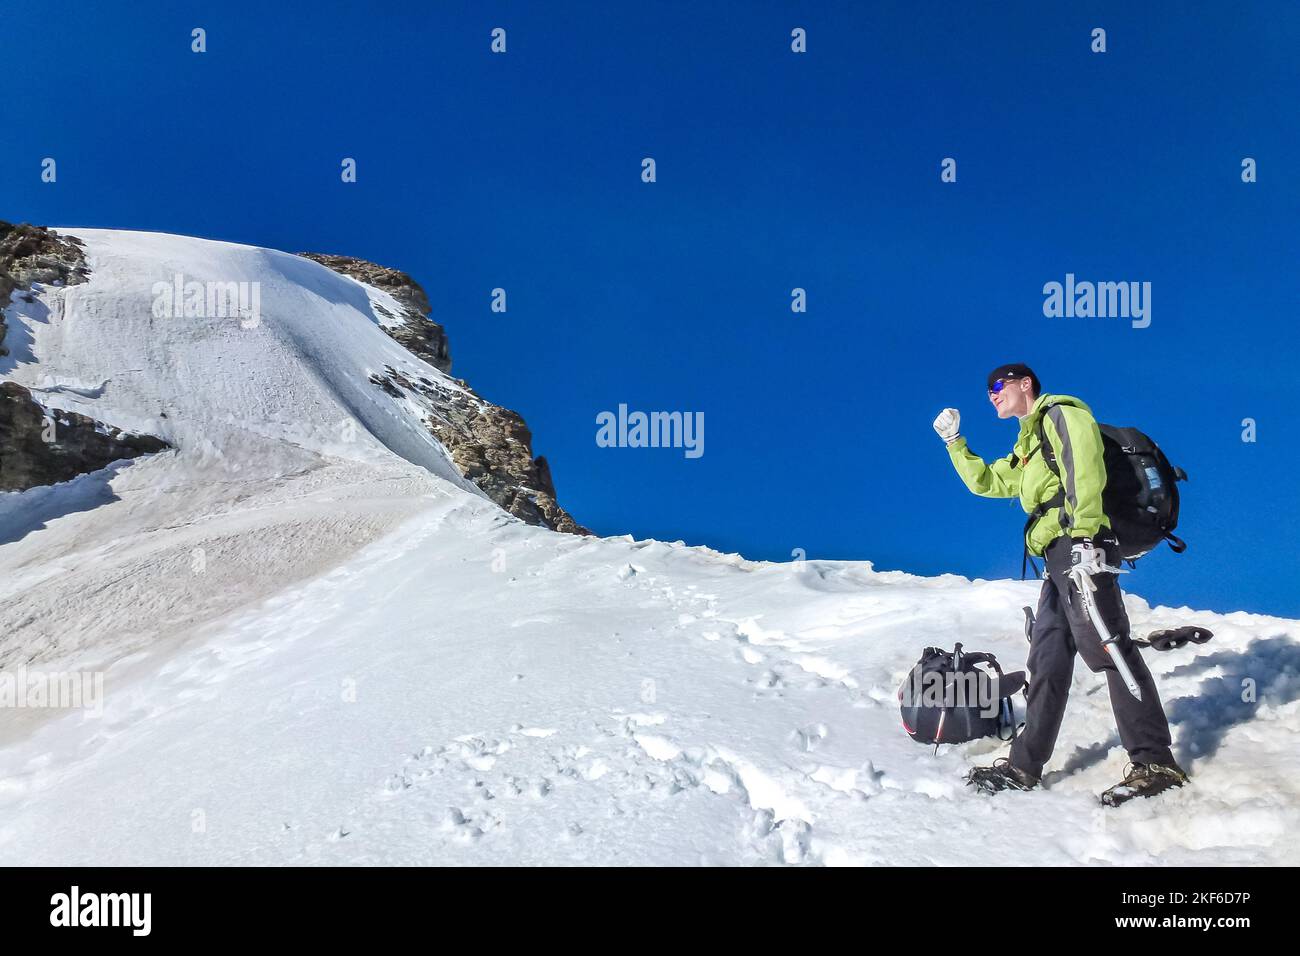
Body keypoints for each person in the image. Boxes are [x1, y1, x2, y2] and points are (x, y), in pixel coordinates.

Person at [932, 363, 1188, 804]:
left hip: (1080, 544)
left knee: (1108, 647)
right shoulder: (1028, 448)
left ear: (1024, 384)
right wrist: (955, 443)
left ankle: (1155, 761)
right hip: (1056, 561)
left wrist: (1088, 534)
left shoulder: (1061, 414)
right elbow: (988, 482)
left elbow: (1083, 467)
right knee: (1046, 664)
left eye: (998, 385)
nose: (992, 394)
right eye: (988, 390)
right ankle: (1023, 765)